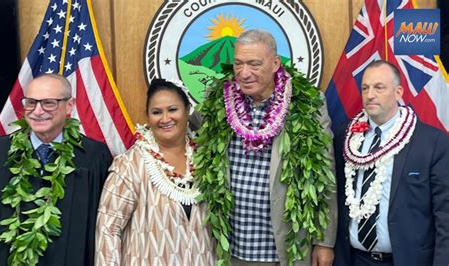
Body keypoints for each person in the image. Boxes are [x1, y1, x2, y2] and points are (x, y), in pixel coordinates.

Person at [192, 29, 337, 265]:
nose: (244, 73)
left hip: (285, 250)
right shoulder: (218, 98)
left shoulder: (308, 104)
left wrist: (324, 242)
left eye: (254, 64)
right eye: (238, 64)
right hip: (230, 250)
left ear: (275, 63)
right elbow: (186, 135)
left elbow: (325, 174)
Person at [0, 74, 112, 265]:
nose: (37, 111)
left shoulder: (93, 157)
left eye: (49, 103)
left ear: (69, 106)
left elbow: (105, 227)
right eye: (31, 102)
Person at [333, 60, 449, 266]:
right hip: (354, 259)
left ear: (398, 92)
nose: (370, 95)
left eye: (379, 87)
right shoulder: (345, 136)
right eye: (365, 88)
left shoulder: (431, 142)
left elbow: (445, 214)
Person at [95, 79, 215, 265]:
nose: (165, 119)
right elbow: (108, 230)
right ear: (148, 116)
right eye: (157, 112)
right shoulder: (129, 165)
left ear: (187, 110)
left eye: (172, 109)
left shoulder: (207, 160)